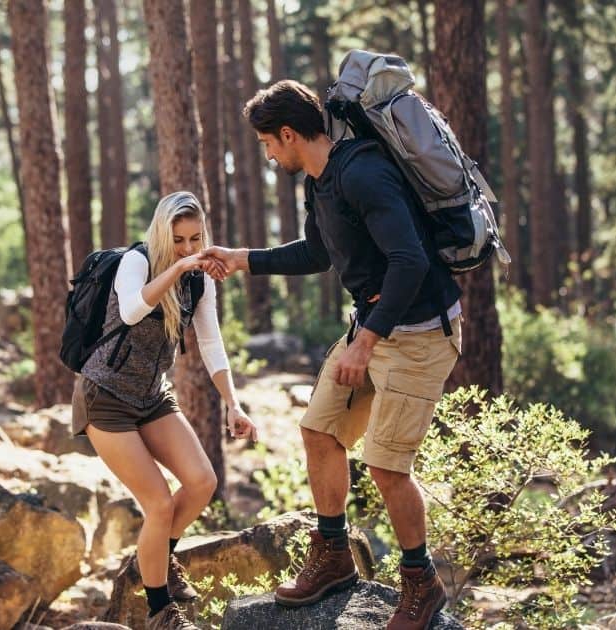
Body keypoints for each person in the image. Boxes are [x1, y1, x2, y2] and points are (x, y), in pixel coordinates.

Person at [202, 80, 461, 630]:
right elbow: (318, 253)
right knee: (319, 431)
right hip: (372, 324)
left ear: (290, 134)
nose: (268, 155)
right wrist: (240, 258)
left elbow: (409, 262)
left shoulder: (364, 174)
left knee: (387, 466)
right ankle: (335, 555)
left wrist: (364, 344)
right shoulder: (320, 184)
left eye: (268, 144)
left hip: (417, 333)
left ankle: (421, 583)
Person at [73, 191, 257, 630]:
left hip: (152, 395)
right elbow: (135, 311)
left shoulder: (200, 279)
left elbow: (211, 344)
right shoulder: (134, 263)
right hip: (106, 397)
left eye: (196, 239)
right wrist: (175, 267)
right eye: (179, 239)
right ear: (161, 233)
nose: (190, 249)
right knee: (157, 502)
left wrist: (233, 403)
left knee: (201, 481)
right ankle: (160, 612)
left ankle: (159, 556)